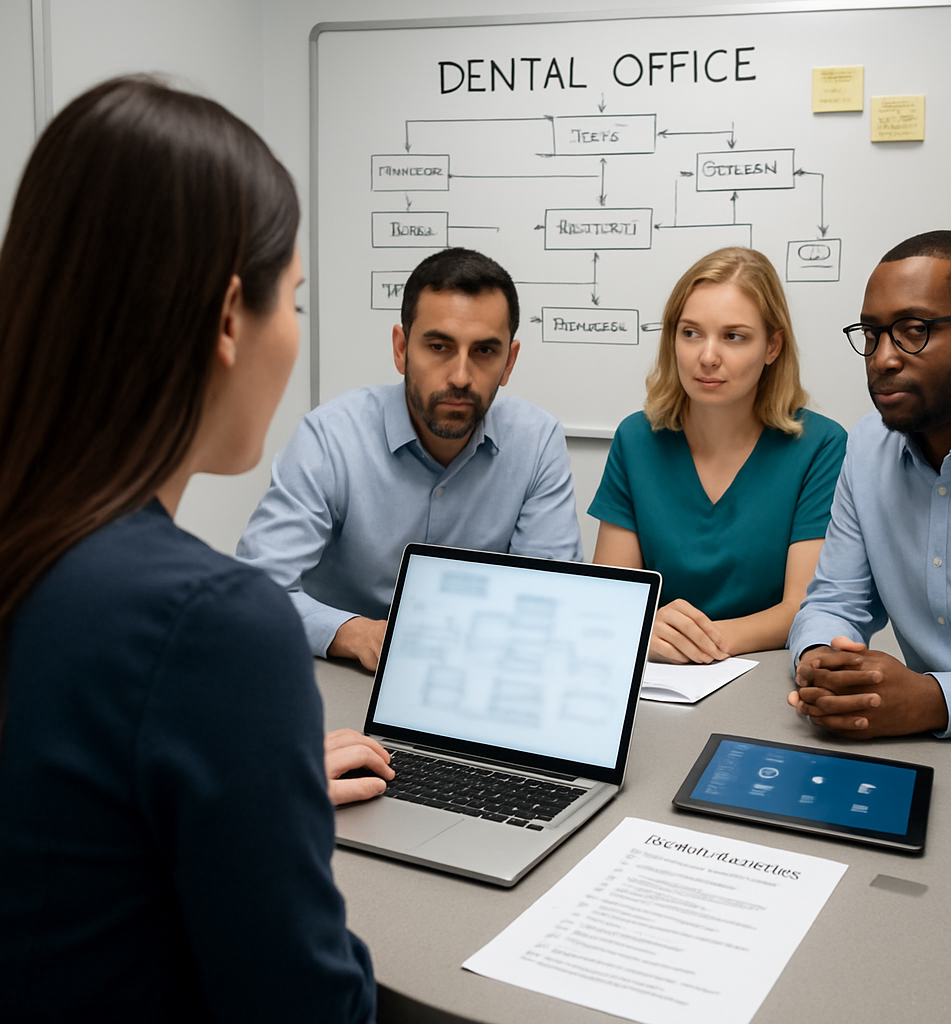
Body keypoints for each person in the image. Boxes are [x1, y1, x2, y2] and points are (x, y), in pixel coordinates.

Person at [0, 77, 391, 1021]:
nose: (295, 334)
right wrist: (267, 802)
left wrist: (254, 772)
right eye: (293, 299)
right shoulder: (208, 623)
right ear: (228, 318)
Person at [236, 246, 584, 671]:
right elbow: (256, 590)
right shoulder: (330, 438)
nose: (460, 376)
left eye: (484, 352)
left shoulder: (537, 442)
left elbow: (549, 601)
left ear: (509, 362)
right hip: (342, 676)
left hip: (471, 678)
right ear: (401, 349)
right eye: (439, 346)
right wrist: (354, 632)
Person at [788, 229, 951, 740]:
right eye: (871, 334)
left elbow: (931, 700)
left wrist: (936, 700)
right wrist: (821, 662)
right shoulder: (869, 446)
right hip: (927, 751)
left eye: (914, 330)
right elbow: (835, 602)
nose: (883, 358)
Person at [590, 247, 846, 663]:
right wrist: (642, 628)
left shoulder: (821, 445)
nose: (707, 356)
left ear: (772, 346)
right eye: (691, 333)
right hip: (658, 673)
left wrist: (694, 641)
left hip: (764, 676)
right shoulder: (636, 438)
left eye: (733, 336)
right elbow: (613, 597)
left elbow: (802, 607)